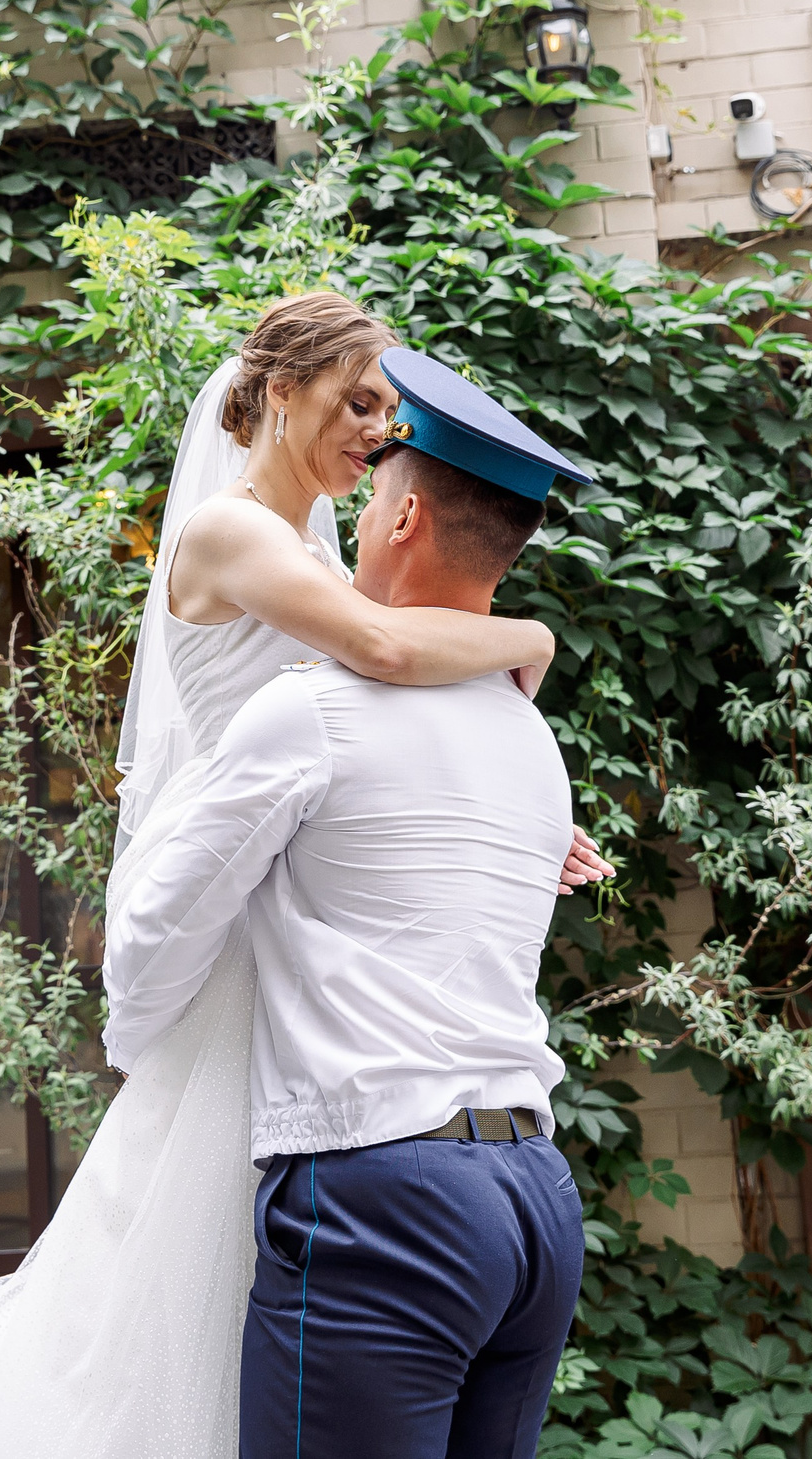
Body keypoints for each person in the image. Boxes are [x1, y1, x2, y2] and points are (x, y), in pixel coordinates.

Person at [0, 297, 607, 1458]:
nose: (376, 429)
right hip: (250, 920)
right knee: (173, 1303)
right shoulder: (233, 536)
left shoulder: (327, 552)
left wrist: (505, 821)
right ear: (279, 390)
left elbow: (395, 716)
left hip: (316, 979)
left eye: (386, 412)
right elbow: (385, 652)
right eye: (357, 400)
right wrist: (532, 640)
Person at [104, 346, 592, 1459]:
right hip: (534, 1200)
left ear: (407, 520)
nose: (364, 474)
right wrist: (533, 636)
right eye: (357, 408)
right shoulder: (527, 737)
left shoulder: (310, 708)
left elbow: (148, 946)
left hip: (385, 1197)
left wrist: (155, 1050)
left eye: (378, 486)